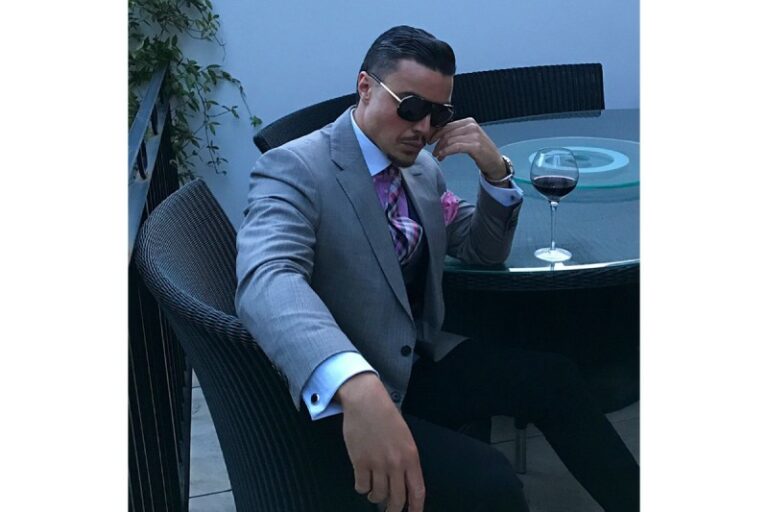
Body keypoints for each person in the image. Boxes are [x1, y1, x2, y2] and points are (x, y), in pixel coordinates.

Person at [235, 25, 639, 512]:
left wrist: (496, 173)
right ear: (365, 87)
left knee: (556, 379)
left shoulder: (420, 167)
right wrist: (351, 378)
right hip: (344, 398)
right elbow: (268, 277)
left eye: (439, 113)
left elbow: (480, 250)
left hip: (412, 361)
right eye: (410, 107)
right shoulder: (295, 168)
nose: (424, 127)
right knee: (492, 482)